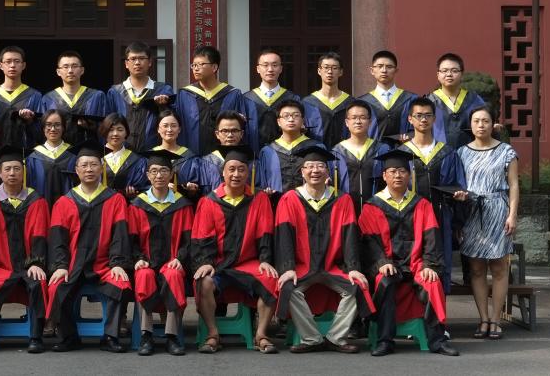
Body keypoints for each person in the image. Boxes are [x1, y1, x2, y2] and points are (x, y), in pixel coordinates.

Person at [359, 149, 460, 357]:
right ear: (384, 176)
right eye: (393, 171)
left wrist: (429, 265)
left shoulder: (422, 205)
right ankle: (385, 340)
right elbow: (368, 242)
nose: (398, 175)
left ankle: (437, 340)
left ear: (410, 175)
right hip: (388, 264)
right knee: (384, 281)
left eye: (403, 171)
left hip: (416, 264)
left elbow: (432, 238)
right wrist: (381, 262)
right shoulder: (372, 206)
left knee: (432, 282)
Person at [275, 144, 373, 354]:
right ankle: (312, 339)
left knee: (357, 286)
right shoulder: (289, 199)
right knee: (288, 287)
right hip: (303, 266)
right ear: (302, 172)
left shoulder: (342, 200)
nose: (315, 170)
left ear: (328, 172)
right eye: (309, 166)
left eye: (320, 166)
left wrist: (353, 268)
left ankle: (336, 337)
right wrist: (288, 267)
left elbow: (350, 236)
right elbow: (284, 236)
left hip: (332, 266)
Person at [192, 145, 279, 355]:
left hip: (248, 263)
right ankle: (213, 334)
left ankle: (261, 335)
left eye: (241, 169)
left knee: (270, 279)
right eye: (231, 169)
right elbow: (202, 236)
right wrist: (205, 262)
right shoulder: (209, 201)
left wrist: (265, 259)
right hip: (219, 263)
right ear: (223, 172)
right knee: (204, 281)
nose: (236, 174)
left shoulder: (259, 199)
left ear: (248, 173)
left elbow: (265, 232)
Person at [46, 145, 132, 353]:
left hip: (104, 265)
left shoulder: (115, 199)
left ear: (101, 168)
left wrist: (117, 263)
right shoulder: (64, 202)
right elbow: (57, 239)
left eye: (94, 164)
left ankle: (110, 336)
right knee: (56, 286)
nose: (89, 169)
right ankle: (68, 336)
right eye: (84, 165)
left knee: (120, 283)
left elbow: (120, 235)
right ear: (76, 170)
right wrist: (60, 266)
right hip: (73, 265)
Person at [0, 146, 51, 354]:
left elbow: (40, 233)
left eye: (17, 169)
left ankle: (36, 338)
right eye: (7, 169)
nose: (12, 173)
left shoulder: (36, 200)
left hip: (27, 265)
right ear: (0, 173)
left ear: (23, 172)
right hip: (0, 265)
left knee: (38, 282)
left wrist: (36, 262)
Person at [454, 105, 520, 341]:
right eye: (476, 121)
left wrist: (512, 215)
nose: (480, 125)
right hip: (471, 212)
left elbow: (514, 184)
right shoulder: (461, 153)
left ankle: (496, 319)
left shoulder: (506, 151)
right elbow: (458, 185)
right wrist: (459, 216)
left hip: (498, 210)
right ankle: (483, 318)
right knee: (476, 269)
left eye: (485, 121)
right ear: (470, 125)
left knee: (500, 268)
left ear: (493, 124)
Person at [128, 150, 193, 356]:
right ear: (147, 175)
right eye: (154, 171)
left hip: (171, 262)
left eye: (164, 170)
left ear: (171, 174)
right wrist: (138, 259)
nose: (159, 175)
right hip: (146, 262)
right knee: (144, 275)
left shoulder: (182, 205)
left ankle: (171, 336)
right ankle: (146, 335)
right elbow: (130, 239)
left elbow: (189, 240)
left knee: (173, 275)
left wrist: (180, 258)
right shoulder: (137, 205)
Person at [398, 96, 465, 293]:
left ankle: (439, 310)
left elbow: (458, 184)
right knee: (409, 264)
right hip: (409, 218)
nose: (423, 120)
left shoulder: (447, 152)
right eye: (418, 115)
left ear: (434, 119)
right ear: (410, 119)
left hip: (440, 216)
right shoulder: (402, 153)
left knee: (439, 266)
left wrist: (459, 203)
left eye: (428, 115)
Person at [176, 45, 254, 156]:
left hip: (225, 158)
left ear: (214, 67)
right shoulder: (185, 94)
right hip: (192, 157)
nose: (196, 68)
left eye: (201, 64)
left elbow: (241, 129)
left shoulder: (232, 94)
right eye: (194, 65)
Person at [106, 42, 174, 154]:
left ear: (150, 62)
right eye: (133, 59)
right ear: (126, 63)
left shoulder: (163, 91)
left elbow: (172, 122)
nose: (137, 62)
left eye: (142, 58)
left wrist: (163, 107)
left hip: (153, 153)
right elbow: (108, 125)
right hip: (122, 154)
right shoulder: (115, 92)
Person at [258, 99, 337, 195]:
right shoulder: (268, 151)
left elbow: (328, 178)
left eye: (296, 115)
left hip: (309, 202)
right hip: (276, 201)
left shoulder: (316, 147)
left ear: (303, 120)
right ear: (278, 121)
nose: (291, 119)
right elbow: (262, 183)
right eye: (286, 116)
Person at [244, 49, 319, 148]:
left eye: (274, 65)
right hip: (253, 152)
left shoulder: (292, 98)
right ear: (258, 69)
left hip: (286, 153)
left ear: (281, 69)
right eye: (265, 65)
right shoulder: (246, 99)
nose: (270, 69)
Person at [42, 51, 107, 146]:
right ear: (58, 72)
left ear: (82, 70)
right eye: (65, 67)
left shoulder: (96, 96)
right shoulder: (48, 99)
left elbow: (105, 129)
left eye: (74, 66)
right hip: (59, 151)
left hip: (88, 151)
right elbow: (42, 131)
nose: (70, 71)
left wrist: (90, 126)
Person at [0, 46, 43, 150]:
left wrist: (30, 121)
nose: (12, 65)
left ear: (23, 65)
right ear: (1, 65)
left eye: (17, 61)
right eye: (8, 61)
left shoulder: (34, 96)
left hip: (25, 153)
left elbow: (42, 130)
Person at [332, 100, 386, 213]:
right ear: (347, 122)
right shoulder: (336, 152)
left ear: (370, 122)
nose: (358, 121)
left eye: (363, 117)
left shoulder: (382, 149)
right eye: (354, 118)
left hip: (376, 211)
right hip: (346, 211)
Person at [429, 53, 486, 151]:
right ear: (438, 75)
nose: (449, 74)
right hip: (438, 155)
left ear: (462, 74)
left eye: (454, 71)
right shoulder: (429, 101)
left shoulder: (474, 100)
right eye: (444, 71)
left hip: (470, 153)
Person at [358, 50, 416, 142]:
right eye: (380, 66)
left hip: (403, 150)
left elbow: (418, 129)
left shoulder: (411, 99)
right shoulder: (362, 102)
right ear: (372, 71)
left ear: (396, 71)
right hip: (373, 150)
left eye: (389, 67)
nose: (384, 70)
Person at [149, 109, 205, 199]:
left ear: (179, 129)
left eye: (173, 126)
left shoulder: (191, 157)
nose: (169, 129)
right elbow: (143, 187)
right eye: (165, 126)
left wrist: (193, 190)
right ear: (158, 129)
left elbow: (199, 190)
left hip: (183, 205)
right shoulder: (149, 156)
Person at [26, 109, 78, 206]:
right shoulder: (33, 156)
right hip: (41, 208)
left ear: (63, 127)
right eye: (48, 125)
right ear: (43, 128)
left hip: (68, 208)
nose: (53, 129)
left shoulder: (73, 154)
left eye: (57, 125)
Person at [302, 52, 353, 148]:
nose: (330, 71)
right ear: (319, 71)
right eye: (326, 67)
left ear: (341, 72)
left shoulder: (351, 103)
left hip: (345, 154)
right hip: (316, 155)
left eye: (334, 68)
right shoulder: (307, 103)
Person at [101, 113, 148, 199]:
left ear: (126, 133)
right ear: (105, 132)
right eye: (111, 130)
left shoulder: (137, 161)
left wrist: (134, 195)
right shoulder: (97, 158)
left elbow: (142, 189)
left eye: (120, 130)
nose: (115, 134)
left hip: (126, 204)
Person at [201, 110, 248, 192]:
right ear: (217, 134)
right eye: (225, 131)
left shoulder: (251, 161)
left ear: (241, 134)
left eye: (234, 131)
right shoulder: (205, 162)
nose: (230, 135)